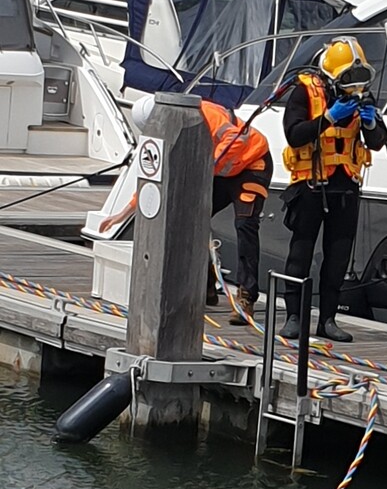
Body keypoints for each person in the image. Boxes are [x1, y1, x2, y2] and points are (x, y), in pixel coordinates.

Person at [100, 96, 272, 326]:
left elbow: (234, 137)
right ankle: (206, 285)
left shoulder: (205, 113)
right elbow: (154, 177)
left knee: (245, 224)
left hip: (252, 162)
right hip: (220, 173)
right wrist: (122, 213)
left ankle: (246, 296)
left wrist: (207, 164)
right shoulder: (164, 136)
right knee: (191, 219)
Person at [279, 36, 387, 343]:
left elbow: (379, 140)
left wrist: (369, 124)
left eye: (358, 78)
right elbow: (294, 134)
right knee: (300, 253)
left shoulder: (363, 99)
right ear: (331, 76)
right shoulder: (305, 92)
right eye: (347, 78)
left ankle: (327, 319)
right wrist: (328, 118)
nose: (353, 86)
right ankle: (294, 317)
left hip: (346, 189)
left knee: (338, 258)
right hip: (311, 185)